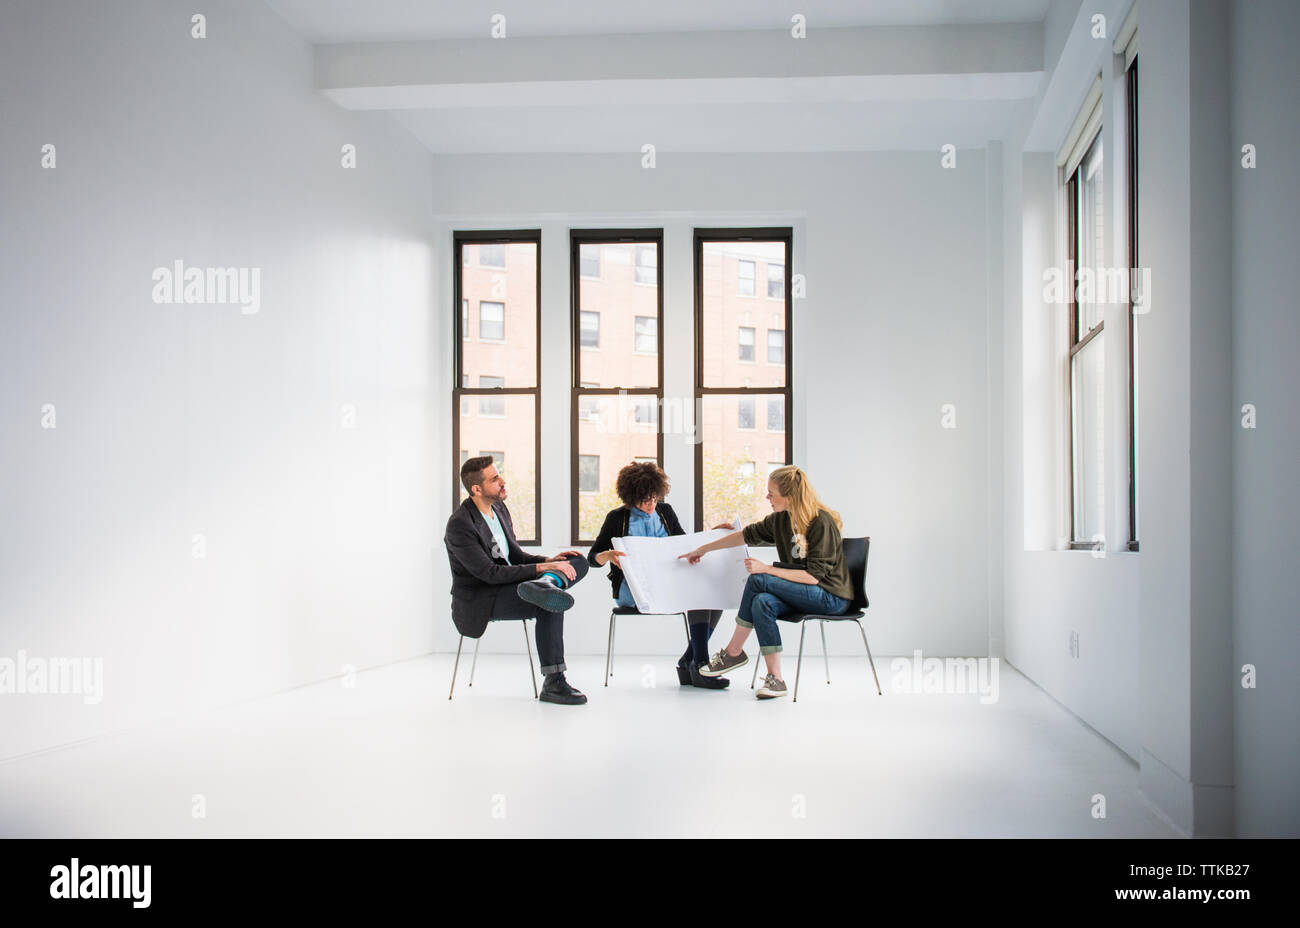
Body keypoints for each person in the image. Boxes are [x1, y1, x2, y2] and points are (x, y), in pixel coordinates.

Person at [679, 465, 853, 699]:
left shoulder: (820, 522)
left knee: (759, 579)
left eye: (772, 494)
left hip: (830, 596)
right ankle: (776, 679)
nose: (767, 497)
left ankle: (733, 651)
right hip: (803, 593)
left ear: (789, 497)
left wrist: (767, 569)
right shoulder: (781, 520)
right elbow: (745, 535)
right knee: (762, 601)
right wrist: (704, 548)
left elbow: (813, 577)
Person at [444, 455, 590, 705]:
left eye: (498, 475)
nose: (502, 481)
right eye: (494, 479)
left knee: (578, 561)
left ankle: (546, 583)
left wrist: (551, 560)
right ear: (476, 489)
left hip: (512, 586)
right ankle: (554, 683)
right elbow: (490, 573)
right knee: (550, 601)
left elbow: (516, 556)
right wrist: (545, 567)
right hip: (483, 597)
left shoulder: (499, 509)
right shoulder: (460, 525)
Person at [588, 461, 731, 689]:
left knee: (714, 596)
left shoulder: (665, 512)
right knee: (698, 596)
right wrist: (607, 556)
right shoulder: (616, 518)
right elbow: (592, 558)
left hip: (667, 584)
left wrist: (713, 535)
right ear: (630, 497)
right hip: (634, 590)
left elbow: (685, 544)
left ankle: (689, 661)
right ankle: (699, 665)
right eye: (645, 500)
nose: (651, 504)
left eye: (655, 497)